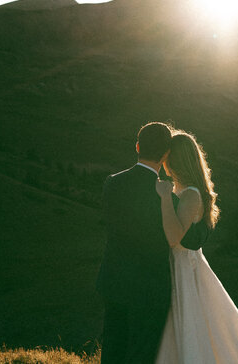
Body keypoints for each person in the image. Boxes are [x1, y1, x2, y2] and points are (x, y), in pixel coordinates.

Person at [155, 130, 238, 363]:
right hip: (181, 266)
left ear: (175, 160)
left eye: (166, 157)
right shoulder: (183, 191)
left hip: (184, 270)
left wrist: (165, 198)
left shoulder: (191, 196)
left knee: (190, 327)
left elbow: (174, 237)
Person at [97, 121, 174, 363]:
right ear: (166, 155)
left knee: (113, 346)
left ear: (138, 147)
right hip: (150, 285)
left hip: (114, 278)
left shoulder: (113, 182)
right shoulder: (166, 195)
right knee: (143, 351)